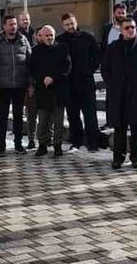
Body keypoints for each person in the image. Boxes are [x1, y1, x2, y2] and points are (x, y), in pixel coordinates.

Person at [102, 16, 137, 169]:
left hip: (136, 93)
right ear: (121, 29)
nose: (130, 30)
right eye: (127, 28)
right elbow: (105, 68)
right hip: (118, 93)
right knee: (119, 127)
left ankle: (136, 157)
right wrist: (112, 84)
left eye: (133, 27)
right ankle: (118, 157)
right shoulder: (113, 47)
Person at [0, 14, 32, 154]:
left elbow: (30, 63)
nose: (13, 27)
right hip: (3, 86)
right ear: (4, 26)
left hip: (19, 85)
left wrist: (30, 83)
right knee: (2, 116)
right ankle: (1, 146)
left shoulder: (23, 41)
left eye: (15, 24)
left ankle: (18, 144)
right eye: (10, 24)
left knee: (18, 116)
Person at [58, 13, 101, 151]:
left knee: (90, 114)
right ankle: (76, 141)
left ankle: (93, 142)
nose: (70, 26)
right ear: (63, 26)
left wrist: (89, 70)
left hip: (86, 82)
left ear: (76, 22)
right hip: (69, 84)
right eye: (67, 24)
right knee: (73, 115)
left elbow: (97, 56)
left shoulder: (88, 38)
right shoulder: (60, 41)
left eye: (72, 23)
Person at [28, 25, 71, 156]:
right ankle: (42, 144)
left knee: (58, 121)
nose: (49, 38)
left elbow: (67, 67)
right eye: (46, 35)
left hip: (58, 89)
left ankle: (57, 145)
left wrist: (53, 78)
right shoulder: (36, 51)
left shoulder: (62, 48)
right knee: (43, 120)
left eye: (51, 35)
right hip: (43, 90)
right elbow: (32, 69)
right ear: (41, 36)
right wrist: (43, 78)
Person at [17, 12, 39, 149]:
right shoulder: (18, 36)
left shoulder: (34, 33)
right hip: (26, 81)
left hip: (40, 81)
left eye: (27, 19)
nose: (25, 21)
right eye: (23, 20)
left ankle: (46, 137)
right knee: (30, 113)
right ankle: (31, 138)